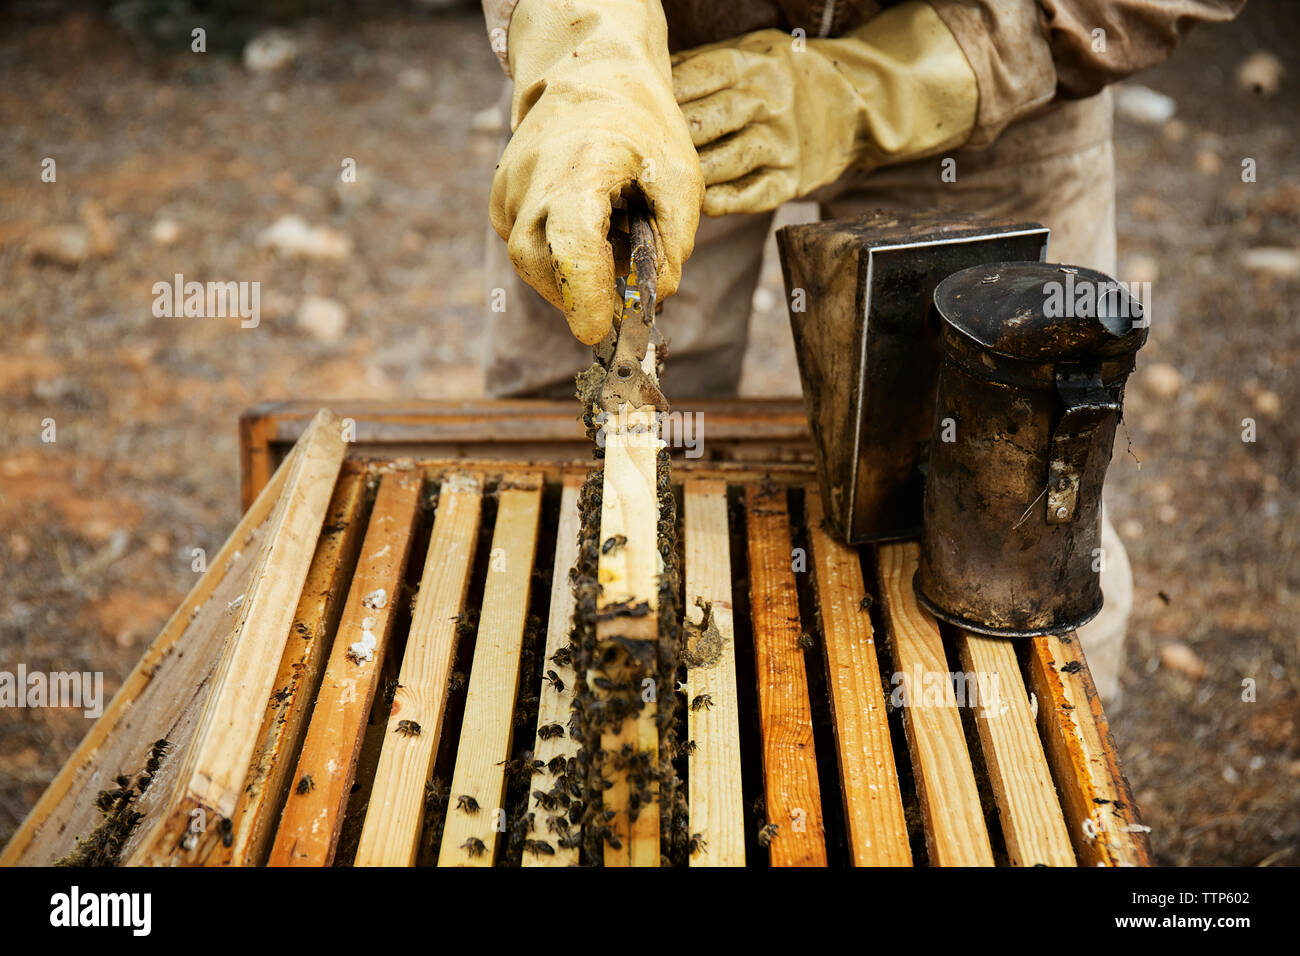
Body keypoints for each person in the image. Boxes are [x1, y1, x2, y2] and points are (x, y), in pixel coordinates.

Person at [478, 0, 1243, 703]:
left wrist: (905, 80)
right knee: (582, 470)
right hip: (656, 81)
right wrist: (586, 53)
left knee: (1020, 518)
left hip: (994, 78)